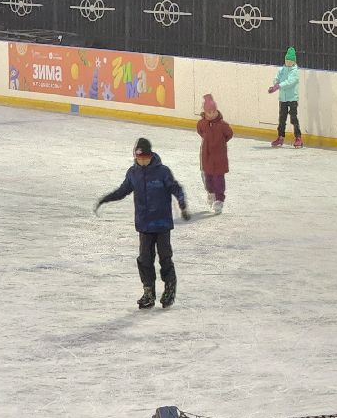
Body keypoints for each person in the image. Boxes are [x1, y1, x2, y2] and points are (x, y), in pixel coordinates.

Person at [94, 138, 191, 309]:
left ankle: (169, 288)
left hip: (162, 224)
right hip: (144, 225)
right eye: (139, 158)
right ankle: (148, 292)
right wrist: (105, 199)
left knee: (165, 257)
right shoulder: (133, 173)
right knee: (145, 259)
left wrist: (182, 205)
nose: (142, 161)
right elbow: (122, 191)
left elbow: (176, 188)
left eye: (145, 157)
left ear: (151, 155)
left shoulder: (162, 172)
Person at [196, 94, 233, 213]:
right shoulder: (202, 124)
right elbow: (200, 131)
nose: (212, 114)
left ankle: (219, 200)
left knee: (218, 179)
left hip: (219, 157)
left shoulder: (223, 125)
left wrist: (220, 143)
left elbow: (229, 134)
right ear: (205, 113)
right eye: (209, 112)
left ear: (217, 111)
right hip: (206, 156)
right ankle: (211, 193)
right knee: (208, 178)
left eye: (214, 111)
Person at [268, 47, 302, 148]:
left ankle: (298, 137)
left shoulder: (295, 72)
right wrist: (275, 84)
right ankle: (280, 137)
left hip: (292, 99)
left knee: (293, 118)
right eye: (286, 61)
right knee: (282, 119)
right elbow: (277, 78)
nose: (288, 63)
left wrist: (279, 86)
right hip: (283, 98)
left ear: (294, 62)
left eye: (290, 61)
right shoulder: (281, 69)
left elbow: (289, 82)